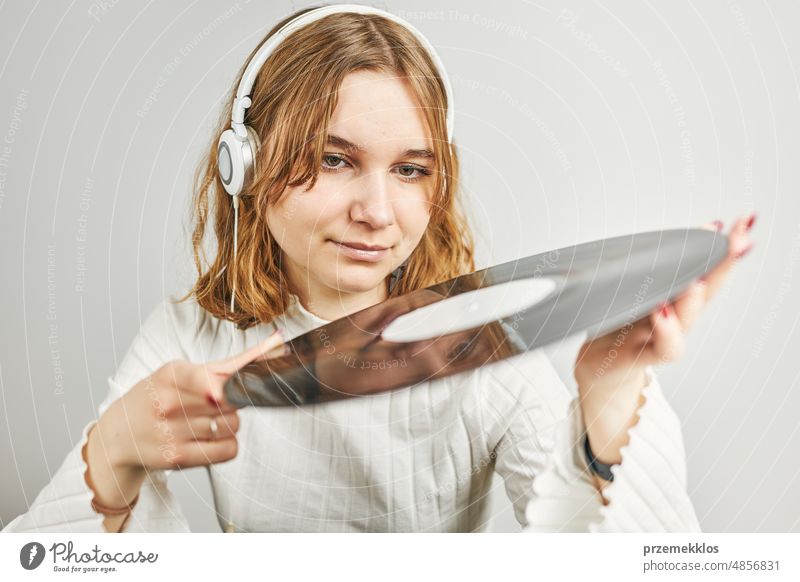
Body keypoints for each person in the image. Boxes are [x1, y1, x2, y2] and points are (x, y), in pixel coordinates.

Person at [3, 4, 754, 534]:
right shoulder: (188, 338)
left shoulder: (483, 347)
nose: (378, 211)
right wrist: (113, 454)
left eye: (410, 170)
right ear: (245, 167)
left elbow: (630, 558)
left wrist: (611, 398)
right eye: (335, 160)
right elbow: (42, 561)